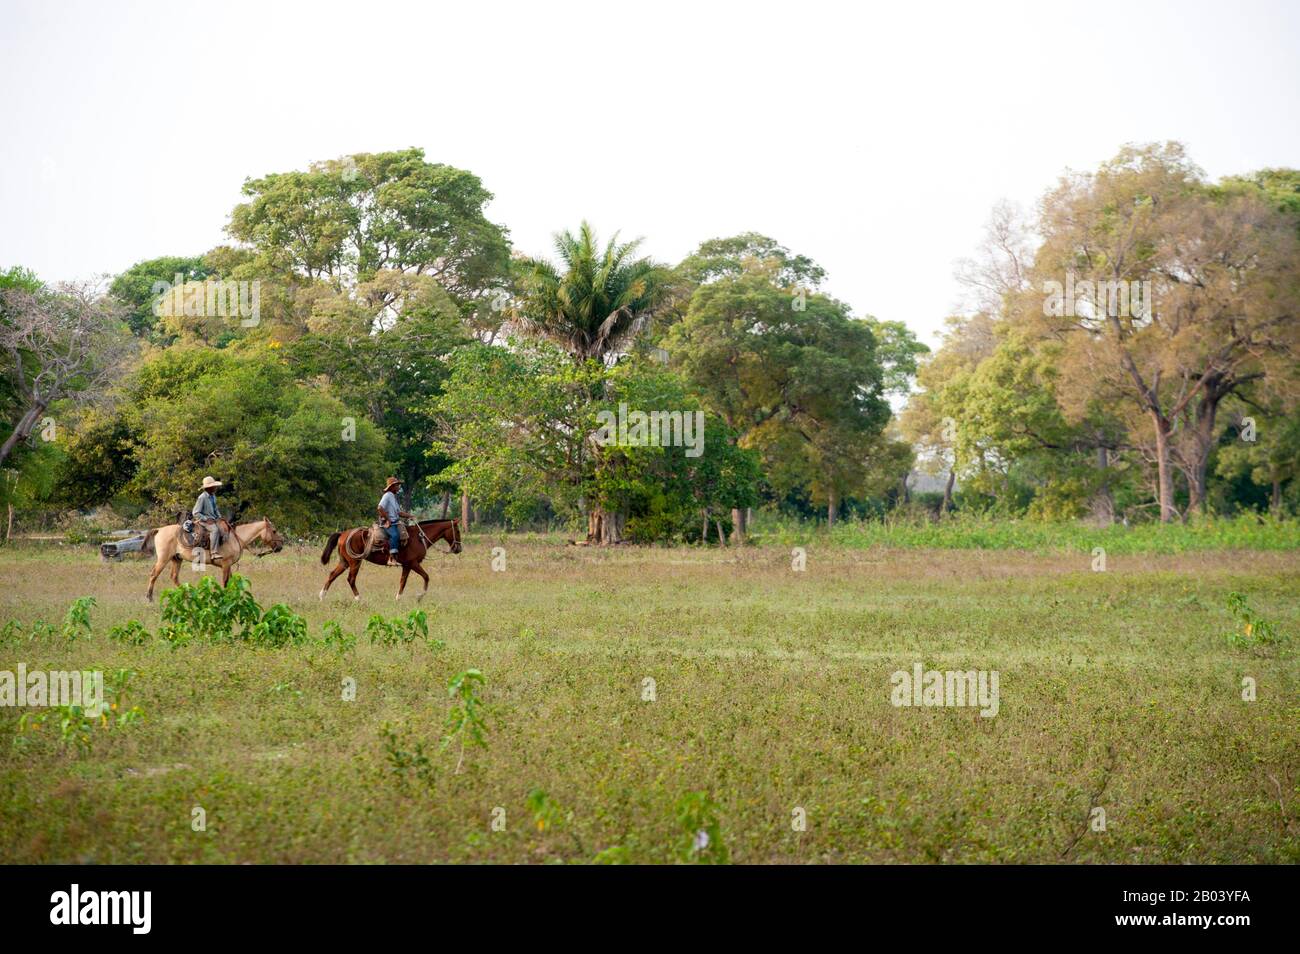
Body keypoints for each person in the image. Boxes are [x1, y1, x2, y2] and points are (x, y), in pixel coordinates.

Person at [377, 477, 413, 566]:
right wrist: (388, 519)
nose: (399, 487)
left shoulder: (393, 496)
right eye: (397, 485)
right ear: (392, 487)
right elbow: (380, 508)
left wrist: (410, 516)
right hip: (388, 523)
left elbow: (399, 512)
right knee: (395, 535)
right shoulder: (387, 495)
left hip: (395, 522)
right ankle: (391, 559)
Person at [192, 476, 224, 556]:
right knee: (215, 530)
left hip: (213, 519)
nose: (215, 488)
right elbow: (195, 512)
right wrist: (206, 519)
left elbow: (215, 509)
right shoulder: (202, 498)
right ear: (209, 488)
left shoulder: (213, 496)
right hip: (203, 521)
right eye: (214, 486)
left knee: (224, 528)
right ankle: (213, 552)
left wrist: (219, 517)